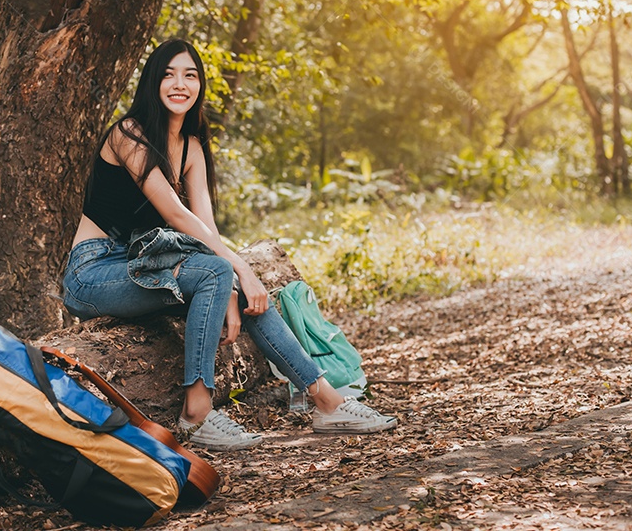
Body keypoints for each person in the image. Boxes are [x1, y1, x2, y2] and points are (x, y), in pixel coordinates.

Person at [61, 39, 397, 450]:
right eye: (168, 74)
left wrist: (235, 289)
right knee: (225, 272)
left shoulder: (192, 147)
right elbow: (177, 216)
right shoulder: (129, 134)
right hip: (94, 273)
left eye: (189, 75)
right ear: (152, 82)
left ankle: (325, 400)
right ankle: (197, 413)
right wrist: (243, 269)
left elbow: (206, 227)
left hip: (147, 268)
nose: (179, 84)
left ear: (199, 85)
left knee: (232, 282)